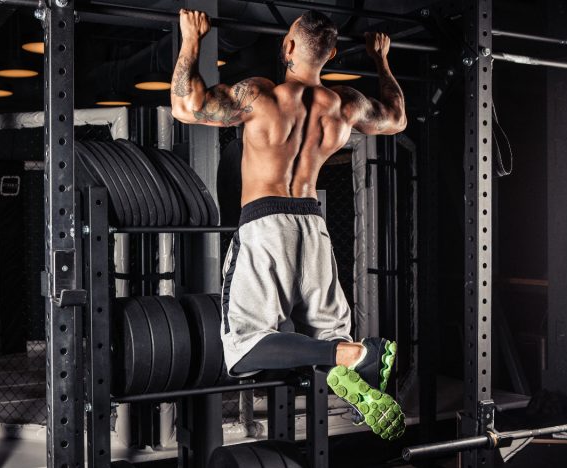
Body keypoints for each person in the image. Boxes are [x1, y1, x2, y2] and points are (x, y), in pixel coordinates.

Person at [170, 8, 407, 440]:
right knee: (326, 334)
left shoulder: (261, 96)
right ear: (332, 53)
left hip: (265, 224)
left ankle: (354, 354)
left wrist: (191, 39)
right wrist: (381, 60)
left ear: (288, 47)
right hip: (313, 228)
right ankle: (348, 357)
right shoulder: (345, 106)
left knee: (243, 347)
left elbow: (186, 107)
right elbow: (396, 118)